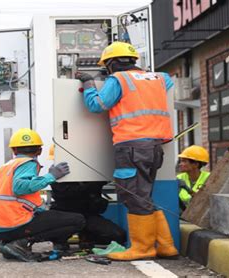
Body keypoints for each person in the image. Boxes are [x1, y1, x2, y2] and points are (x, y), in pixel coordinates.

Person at [75, 41, 178, 260]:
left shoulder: (119, 79)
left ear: (111, 64)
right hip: (155, 147)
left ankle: (142, 248)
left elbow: (97, 105)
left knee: (134, 197)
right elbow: (166, 80)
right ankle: (166, 245)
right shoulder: (159, 78)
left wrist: (88, 83)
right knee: (143, 196)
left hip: (131, 147)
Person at [0, 128, 86, 262]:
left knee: (51, 216)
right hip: (14, 224)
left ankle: (9, 245)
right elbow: (19, 187)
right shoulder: (28, 163)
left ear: (14, 151)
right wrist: (51, 176)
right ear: (39, 151)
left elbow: (16, 197)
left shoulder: (6, 167)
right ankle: (19, 243)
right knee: (78, 220)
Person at [47, 145, 126, 248]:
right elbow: (67, 194)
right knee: (56, 231)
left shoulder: (90, 171)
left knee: (118, 236)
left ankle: (87, 237)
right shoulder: (55, 174)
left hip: (87, 216)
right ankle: (60, 240)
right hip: (65, 216)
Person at [177, 145, 210, 211]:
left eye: (184, 161)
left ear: (196, 164)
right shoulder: (179, 178)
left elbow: (206, 201)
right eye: (181, 161)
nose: (180, 164)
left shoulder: (209, 178)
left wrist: (190, 191)